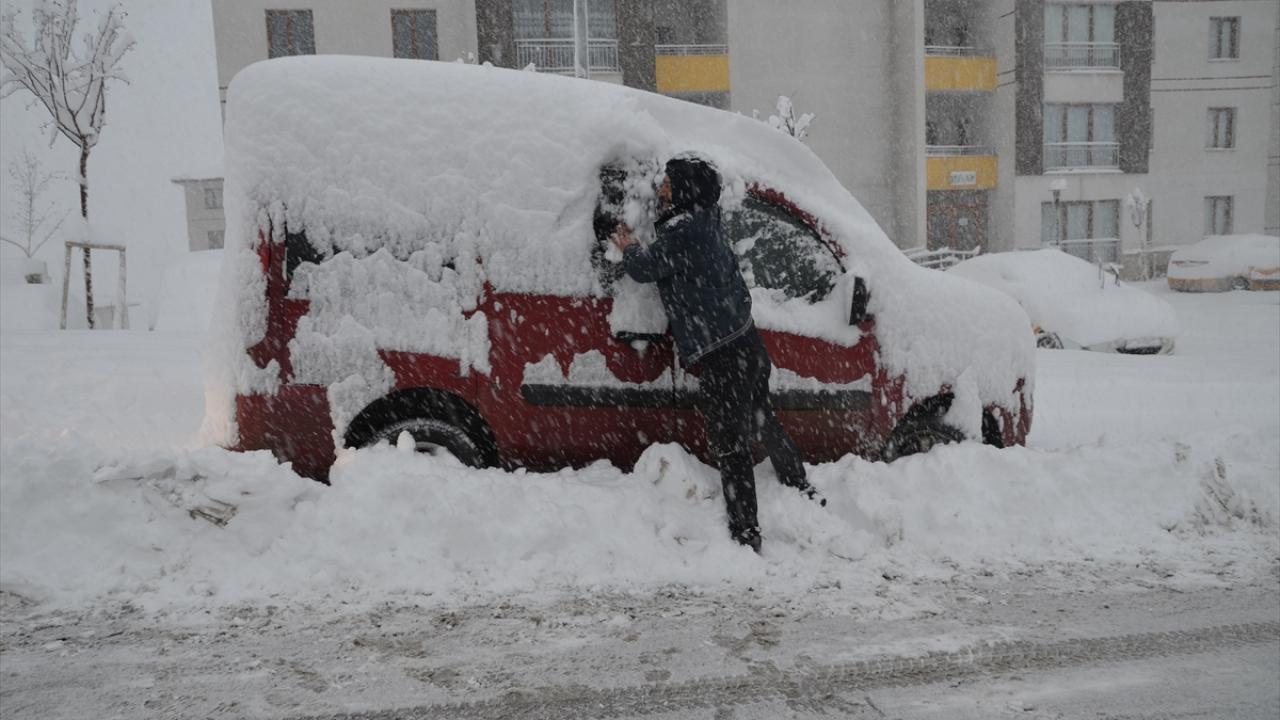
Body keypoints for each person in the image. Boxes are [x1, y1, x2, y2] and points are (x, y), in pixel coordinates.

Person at [611, 155, 823, 553]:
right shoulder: (705, 223)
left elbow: (646, 267)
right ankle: (798, 483)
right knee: (762, 418)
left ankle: (746, 534)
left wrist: (628, 248)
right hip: (745, 343)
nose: (662, 189)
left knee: (731, 444)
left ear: (687, 191)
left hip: (723, 354)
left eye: (670, 184)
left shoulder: (685, 232)